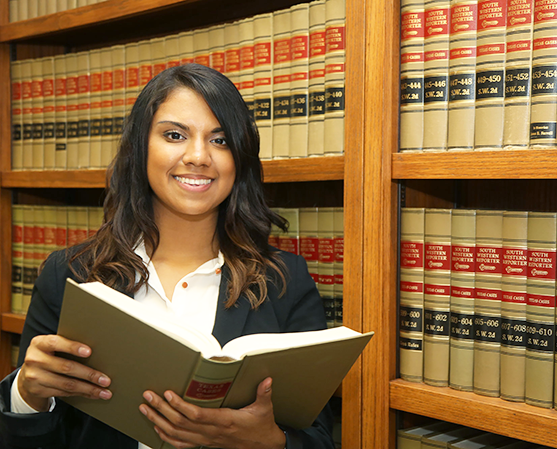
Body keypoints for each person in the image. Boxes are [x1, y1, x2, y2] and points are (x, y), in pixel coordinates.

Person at [0, 63, 334, 449]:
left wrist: (270, 442)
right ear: (141, 146)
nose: (198, 156)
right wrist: (28, 395)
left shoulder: (285, 282)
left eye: (220, 140)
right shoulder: (69, 275)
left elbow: (320, 438)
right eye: (175, 135)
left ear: (239, 159)